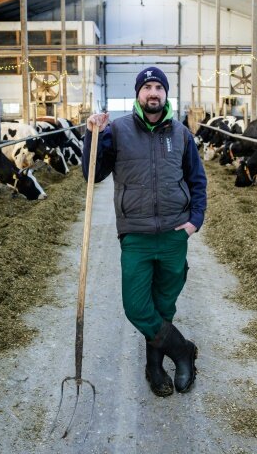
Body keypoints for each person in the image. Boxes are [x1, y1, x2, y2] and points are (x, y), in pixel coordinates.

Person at [82, 66, 207, 397]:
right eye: (147, 87)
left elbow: (197, 180)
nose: (153, 92)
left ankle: (154, 367)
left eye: (159, 87)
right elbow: (92, 174)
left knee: (164, 305)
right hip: (135, 235)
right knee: (138, 306)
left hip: (174, 234)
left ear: (166, 94)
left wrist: (195, 220)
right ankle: (182, 351)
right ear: (138, 93)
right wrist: (91, 136)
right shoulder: (118, 131)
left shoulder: (181, 134)